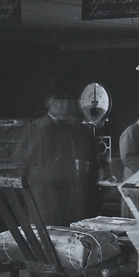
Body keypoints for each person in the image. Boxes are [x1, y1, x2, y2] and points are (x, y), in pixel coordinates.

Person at [15, 89, 97, 227]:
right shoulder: (35, 128)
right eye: (57, 101)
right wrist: (36, 182)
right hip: (44, 194)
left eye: (66, 101)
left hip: (70, 194)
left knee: (70, 234)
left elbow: (90, 163)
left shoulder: (78, 130)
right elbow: (20, 162)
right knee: (45, 232)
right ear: (47, 103)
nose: (62, 105)